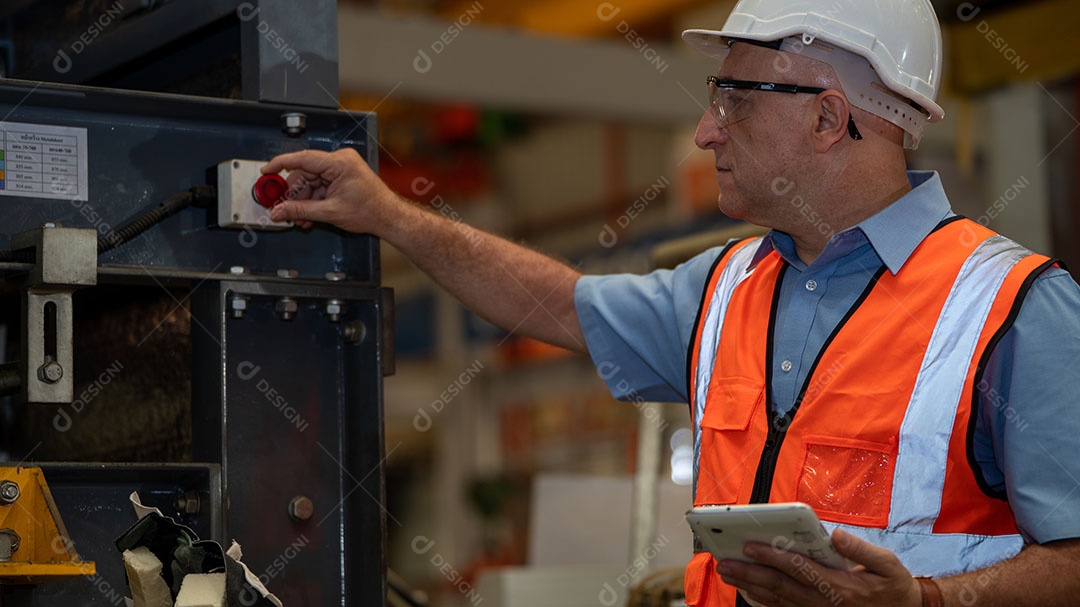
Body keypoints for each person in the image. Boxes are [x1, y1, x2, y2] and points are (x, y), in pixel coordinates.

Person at [263, 1, 1080, 605]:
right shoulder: (723, 288)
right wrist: (387, 215)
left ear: (829, 118)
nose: (706, 132)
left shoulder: (1012, 308)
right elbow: (552, 302)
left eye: (735, 98)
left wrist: (928, 601)